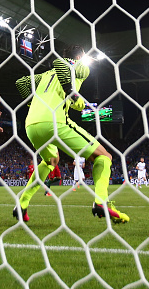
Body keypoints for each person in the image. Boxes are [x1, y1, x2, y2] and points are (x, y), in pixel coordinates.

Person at [14, 45, 128, 223]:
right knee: (104, 157)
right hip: (54, 122)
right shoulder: (80, 66)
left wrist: (33, 105)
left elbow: (21, 83)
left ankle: (22, 202)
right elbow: (59, 63)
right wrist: (72, 94)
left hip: (31, 125)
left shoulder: (45, 75)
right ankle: (101, 201)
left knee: (51, 161)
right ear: (81, 56)